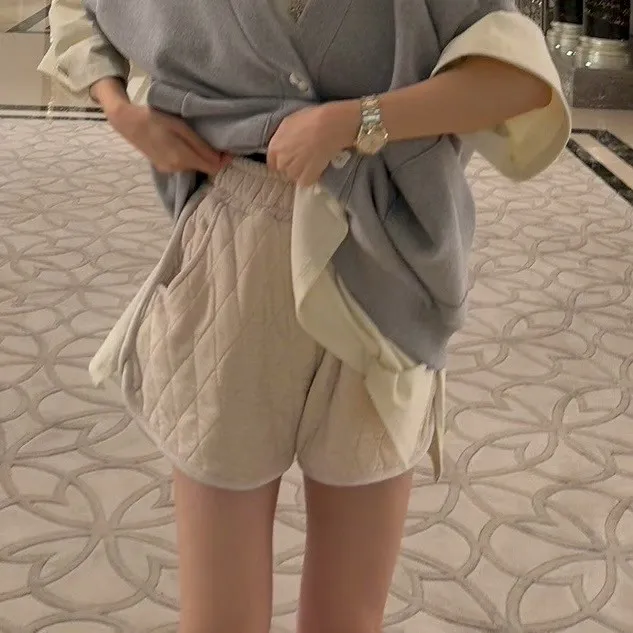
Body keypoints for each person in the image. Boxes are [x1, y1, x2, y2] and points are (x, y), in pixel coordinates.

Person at [40, 1, 570, 632]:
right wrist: (122, 111)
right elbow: (78, 9)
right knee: (220, 616)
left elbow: (518, 79)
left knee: (347, 616)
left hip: (385, 274)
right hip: (234, 251)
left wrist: (355, 120)